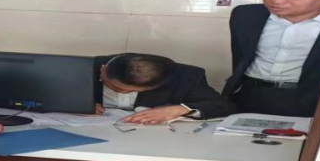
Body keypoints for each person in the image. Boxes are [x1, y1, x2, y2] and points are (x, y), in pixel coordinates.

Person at [93, 53, 236, 125]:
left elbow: (225, 106)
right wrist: (81, 105)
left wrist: (178, 110)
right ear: (103, 70)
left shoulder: (186, 77)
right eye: (112, 86)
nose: (121, 92)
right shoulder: (87, 66)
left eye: (130, 90)